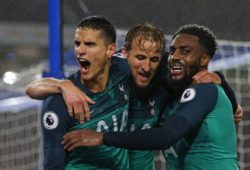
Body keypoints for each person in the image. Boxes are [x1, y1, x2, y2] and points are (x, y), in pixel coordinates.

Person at [62, 24, 239, 170]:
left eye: (185, 51)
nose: (175, 57)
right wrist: (63, 85)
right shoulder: (166, 94)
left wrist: (102, 137)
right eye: (173, 51)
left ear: (203, 60)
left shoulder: (203, 90)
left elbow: (164, 137)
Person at [31, 16, 131, 169]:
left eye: (90, 44)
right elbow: (53, 163)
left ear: (110, 50)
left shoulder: (123, 71)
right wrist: (62, 85)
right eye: (77, 44)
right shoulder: (60, 102)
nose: (80, 51)